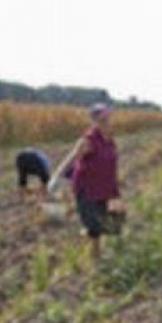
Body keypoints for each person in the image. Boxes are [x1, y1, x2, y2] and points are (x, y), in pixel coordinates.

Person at [54, 103, 123, 260]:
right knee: (95, 227)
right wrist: (57, 177)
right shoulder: (88, 141)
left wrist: (115, 186)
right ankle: (95, 259)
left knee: (112, 223)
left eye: (108, 118)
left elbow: (111, 164)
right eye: (102, 119)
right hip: (87, 188)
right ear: (94, 121)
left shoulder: (110, 140)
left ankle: (88, 239)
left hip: (104, 188)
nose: (106, 122)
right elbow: (71, 159)